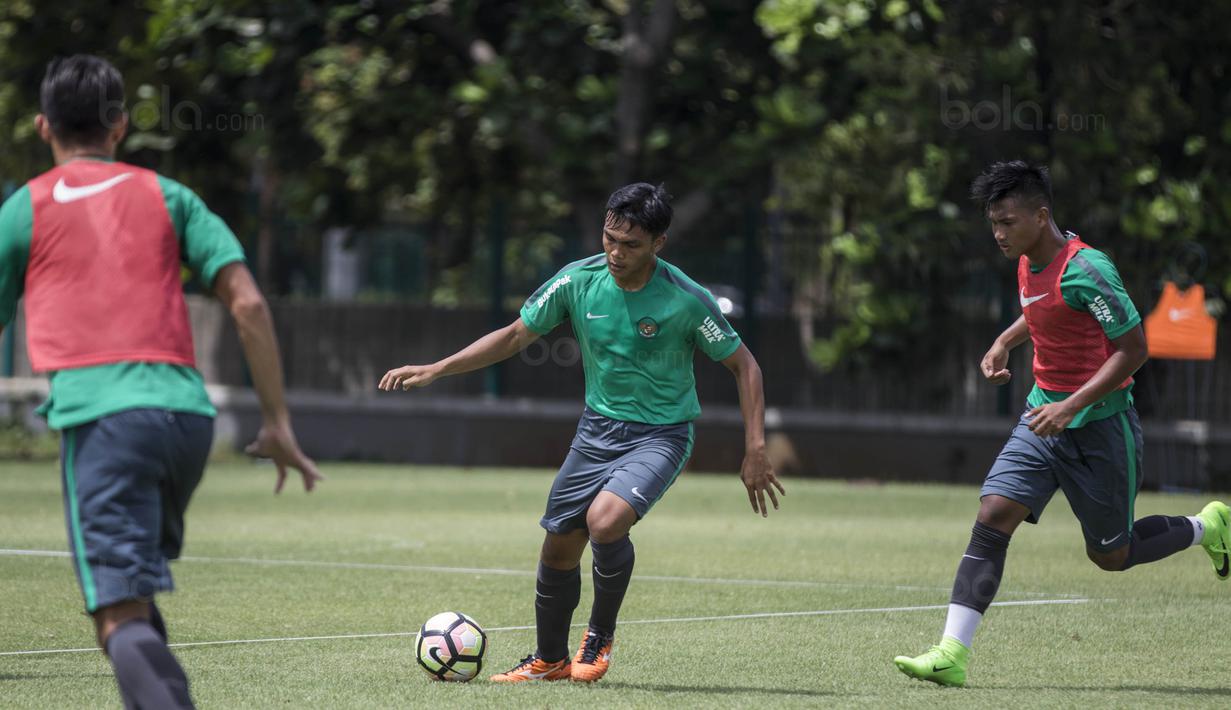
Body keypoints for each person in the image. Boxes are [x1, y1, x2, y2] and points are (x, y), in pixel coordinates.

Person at [0, 55, 322, 708]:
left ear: (42, 127)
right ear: (119, 126)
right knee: (133, 598)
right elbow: (250, 304)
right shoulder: (167, 195)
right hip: (186, 423)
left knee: (115, 613)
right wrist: (278, 422)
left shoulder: (24, 209)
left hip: (104, 423)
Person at [380, 182, 784, 683]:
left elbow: (745, 367)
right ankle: (548, 660)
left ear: (659, 243)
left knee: (605, 520)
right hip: (595, 432)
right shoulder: (577, 280)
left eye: (631, 244)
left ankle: (599, 635)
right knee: (558, 546)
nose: (615, 252)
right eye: (609, 238)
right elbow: (513, 335)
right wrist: (439, 368)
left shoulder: (685, 299)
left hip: (661, 435)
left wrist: (756, 449)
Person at [893, 161, 1229, 687]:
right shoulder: (1028, 259)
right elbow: (1046, 309)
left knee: (1112, 556)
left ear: (1040, 215)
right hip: (1040, 417)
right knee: (994, 513)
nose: (998, 234)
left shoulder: (1089, 269)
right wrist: (1006, 340)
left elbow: (1134, 348)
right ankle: (950, 653)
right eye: (993, 224)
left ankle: (1205, 527)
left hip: (1101, 429)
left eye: (1007, 222)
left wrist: (1072, 406)